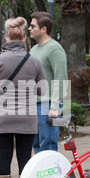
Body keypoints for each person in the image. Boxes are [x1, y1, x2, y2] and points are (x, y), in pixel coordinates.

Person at [0, 17, 45, 178]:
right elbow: (42, 90)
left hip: (3, 116)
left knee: (4, 156)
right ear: (23, 39)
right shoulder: (34, 61)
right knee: (25, 158)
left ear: (7, 38)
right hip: (26, 117)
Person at [28, 12, 68, 153]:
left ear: (43, 29)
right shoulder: (33, 49)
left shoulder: (55, 49)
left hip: (48, 105)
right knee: (37, 146)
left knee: (48, 147)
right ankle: (41, 175)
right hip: (34, 105)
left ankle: (52, 176)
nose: (29, 28)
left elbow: (61, 78)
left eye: (33, 26)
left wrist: (55, 107)